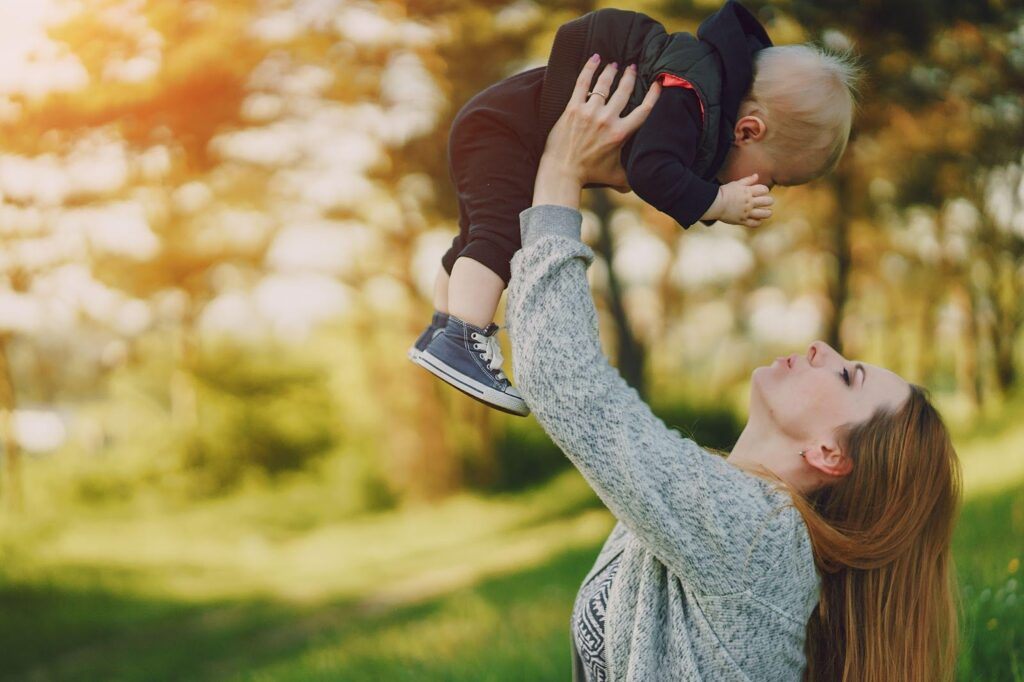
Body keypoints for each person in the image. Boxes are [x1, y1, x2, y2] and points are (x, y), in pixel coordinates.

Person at [505, 56, 963, 681]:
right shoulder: (732, 511)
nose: (821, 350)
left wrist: (561, 171)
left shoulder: (759, 536)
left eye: (847, 376)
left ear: (830, 454)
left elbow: (570, 388)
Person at [408, 1, 861, 417]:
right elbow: (651, 171)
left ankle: (443, 328)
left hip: (496, 123)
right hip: (504, 132)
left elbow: (668, 173)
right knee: (498, 239)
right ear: (748, 130)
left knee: (475, 237)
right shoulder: (690, 98)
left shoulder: (699, 94)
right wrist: (719, 202)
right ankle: (463, 338)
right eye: (775, 177)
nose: (766, 188)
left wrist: (707, 199)